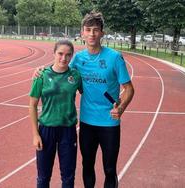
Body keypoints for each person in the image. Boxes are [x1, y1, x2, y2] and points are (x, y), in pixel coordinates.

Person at [34, 11, 134, 188]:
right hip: (87, 122)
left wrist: (121, 107)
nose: (92, 34)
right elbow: (60, 67)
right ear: (82, 33)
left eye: (96, 30)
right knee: (87, 166)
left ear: (102, 33)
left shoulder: (114, 57)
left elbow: (129, 89)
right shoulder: (78, 59)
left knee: (109, 169)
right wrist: (42, 69)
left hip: (109, 123)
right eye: (88, 30)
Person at [29, 40, 82, 188]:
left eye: (68, 55)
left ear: (72, 56)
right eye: (60, 54)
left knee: (68, 176)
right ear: (53, 53)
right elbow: (32, 105)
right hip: (46, 130)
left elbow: (89, 94)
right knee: (43, 176)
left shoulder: (76, 76)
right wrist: (35, 134)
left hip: (68, 130)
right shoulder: (42, 75)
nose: (63, 58)